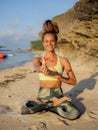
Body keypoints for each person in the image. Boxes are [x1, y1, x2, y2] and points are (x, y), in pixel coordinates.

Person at [21, 31, 80, 120]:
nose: (49, 44)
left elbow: (73, 81)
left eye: (52, 41)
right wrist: (40, 69)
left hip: (58, 95)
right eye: (46, 41)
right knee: (24, 110)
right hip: (42, 97)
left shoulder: (63, 61)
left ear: (56, 42)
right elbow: (36, 67)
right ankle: (53, 104)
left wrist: (58, 76)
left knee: (74, 114)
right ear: (43, 42)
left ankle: (48, 105)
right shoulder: (39, 59)